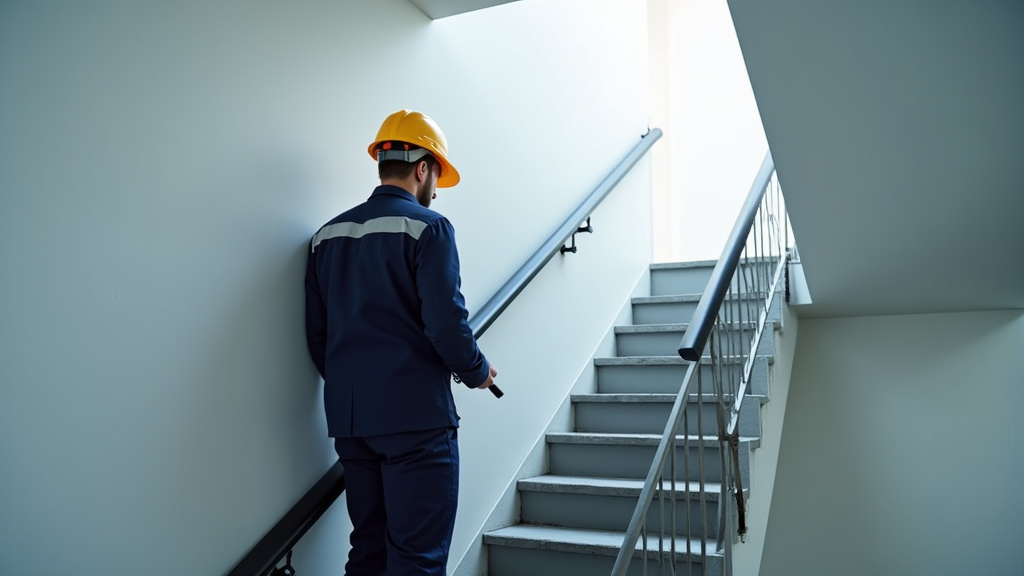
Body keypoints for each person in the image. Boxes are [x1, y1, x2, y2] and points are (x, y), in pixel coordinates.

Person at [304, 109, 497, 576]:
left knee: (367, 552)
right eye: (437, 176)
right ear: (423, 167)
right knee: (417, 559)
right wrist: (477, 370)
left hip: (351, 422)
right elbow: (446, 324)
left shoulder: (326, 236)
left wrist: (358, 384)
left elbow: (318, 337)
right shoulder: (430, 227)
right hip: (415, 420)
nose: (435, 190)